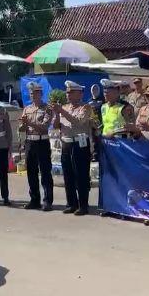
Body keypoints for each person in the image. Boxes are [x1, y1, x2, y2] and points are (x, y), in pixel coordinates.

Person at [52, 80, 97, 216]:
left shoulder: (86, 108)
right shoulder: (64, 107)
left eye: (71, 92)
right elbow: (56, 126)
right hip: (66, 143)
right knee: (68, 175)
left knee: (81, 175)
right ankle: (71, 203)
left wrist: (62, 112)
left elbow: (78, 122)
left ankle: (83, 205)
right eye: (67, 93)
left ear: (80, 94)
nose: (68, 95)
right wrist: (58, 114)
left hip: (80, 143)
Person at [19, 81, 54, 211]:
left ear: (41, 94)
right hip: (30, 142)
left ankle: (47, 201)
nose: (33, 95)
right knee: (31, 172)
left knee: (45, 172)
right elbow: (22, 128)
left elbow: (44, 127)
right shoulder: (27, 109)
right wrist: (23, 125)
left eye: (36, 93)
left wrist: (29, 123)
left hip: (42, 141)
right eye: (31, 93)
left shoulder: (47, 109)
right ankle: (34, 200)